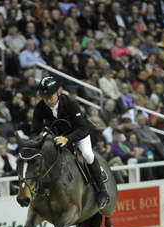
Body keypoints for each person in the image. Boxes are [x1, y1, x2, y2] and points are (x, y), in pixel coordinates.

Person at [32, 76, 110, 209]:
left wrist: (67, 139)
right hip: (57, 137)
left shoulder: (70, 103)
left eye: (50, 96)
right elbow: (35, 131)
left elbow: (83, 128)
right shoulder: (40, 108)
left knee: (87, 155)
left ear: (58, 92)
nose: (48, 100)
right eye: (44, 97)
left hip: (79, 134)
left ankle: (102, 190)